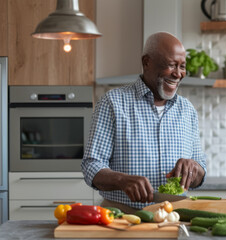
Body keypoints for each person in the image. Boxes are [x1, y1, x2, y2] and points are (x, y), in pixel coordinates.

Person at [82, 32, 207, 213]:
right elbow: (91, 165)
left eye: (182, 66)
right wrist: (122, 180)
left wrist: (194, 169)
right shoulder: (113, 103)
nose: (178, 74)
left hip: (173, 217)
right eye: (171, 65)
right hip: (123, 215)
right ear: (147, 62)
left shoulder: (187, 110)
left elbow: (201, 173)